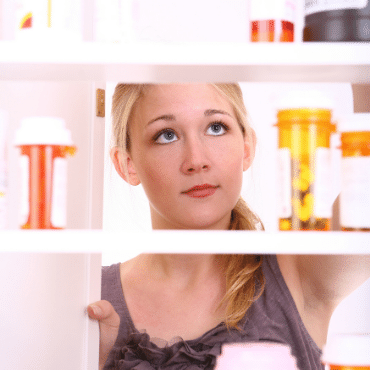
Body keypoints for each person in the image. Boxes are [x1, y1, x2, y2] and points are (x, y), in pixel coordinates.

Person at [88, 83, 370, 370]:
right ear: (127, 164)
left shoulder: (299, 270)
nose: (196, 161)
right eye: (167, 135)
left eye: (216, 128)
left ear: (247, 148)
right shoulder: (89, 295)